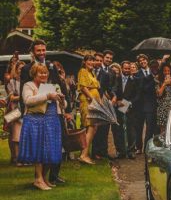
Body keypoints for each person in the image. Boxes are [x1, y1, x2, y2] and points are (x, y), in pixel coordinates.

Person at [19, 39, 69, 185]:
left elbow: (59, 86)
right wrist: (25, 113)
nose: (41, 53)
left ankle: (52, 176)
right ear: (33, 52)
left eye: (43, 50)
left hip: (54, 112)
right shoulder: (27, 69)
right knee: (41, 146)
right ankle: (40, 178)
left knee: (56, 143)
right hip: (37, 113)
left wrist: (65, 106)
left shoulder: (51, 66)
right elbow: (26, 96)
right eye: (38, 50)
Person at [112, 61, 141, 159]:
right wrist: (116, 99)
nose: (127, 70)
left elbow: (138, 95)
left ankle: (131, 151)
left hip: (130, 107)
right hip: (117, 106)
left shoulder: (135, 80)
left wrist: (128, 104)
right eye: (125, 68)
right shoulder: (117, 78)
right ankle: (120, 151)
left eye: (129, 69)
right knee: (118, 129)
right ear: (122, 68)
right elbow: (113, 90)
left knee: (131, 129)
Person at [77, 55, 101, 165]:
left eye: (93, 60)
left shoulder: (92, 73)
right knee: (91, 127)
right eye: (89, 61)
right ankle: (83, 155)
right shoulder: (83, 71)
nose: (91, 62)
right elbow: (83, 87)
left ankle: (85, 153)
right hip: (88, 102)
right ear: (85, 62)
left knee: (94, 128)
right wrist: (92, 99)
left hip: (94, 102)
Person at [92, 51, 115, 159]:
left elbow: (111, 87)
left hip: (105, 102)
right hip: (93, 100)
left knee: (105, 128)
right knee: (94, 127)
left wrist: (113, 96)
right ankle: (94, 151)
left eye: (110, 58)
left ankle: (103, 151)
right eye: (107, 58)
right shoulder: (91, 70)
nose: (108, 60)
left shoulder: (110, 72)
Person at [6, 61, 25, 164]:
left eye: (23, 68)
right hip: (16, 111)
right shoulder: (12, 82)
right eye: (20, 69)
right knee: (16, 136)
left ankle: (24, 157)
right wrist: (22, 98)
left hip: (26, 110)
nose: (21, 70)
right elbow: (11, 97)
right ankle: (17, 158)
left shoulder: (26, 81)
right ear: (16, 70)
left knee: (24, 135)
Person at [135, 54, 153, 153]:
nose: (142, 62)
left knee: (150, 128)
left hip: (151, 104)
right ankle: (138, 147)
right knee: (139, 127)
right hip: (140, 105)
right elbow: (141, 87)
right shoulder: (137, 74)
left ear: (147, 60)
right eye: (140, 61)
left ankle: (147, 147)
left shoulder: (154, 71)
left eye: (144, 60)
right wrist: (152, 77)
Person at [156, 64, 171, 132]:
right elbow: (159, 94)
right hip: (162, 109)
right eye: (165, 71)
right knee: (163, 130)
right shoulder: (158, 82)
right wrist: (164, 84)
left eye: (168, 71)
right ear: (162, 72)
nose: (167, 73)